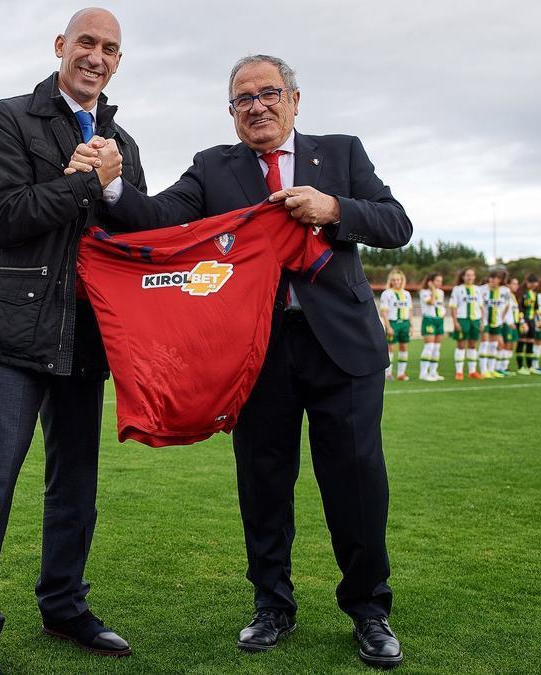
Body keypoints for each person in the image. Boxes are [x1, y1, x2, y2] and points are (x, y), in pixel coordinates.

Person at [68, 54, 409, 667]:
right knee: (263, 479)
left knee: (357, 481)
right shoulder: (213, 168)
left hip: (344, 347)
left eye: (269, 93)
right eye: (243, 99)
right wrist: (113, 187)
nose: (257, 106)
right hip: (255, 351)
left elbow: (395, 223)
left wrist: (333, 210)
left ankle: (369, 610)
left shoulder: (341, 152)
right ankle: (271, 606)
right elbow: (162, 219)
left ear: (295, 100)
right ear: (231, 113)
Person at [0, 9, 145, 674]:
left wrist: (113, 183)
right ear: (61, 47)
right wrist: (80, 179)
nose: (96, 56)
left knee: (76, 486)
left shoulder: (122, 142)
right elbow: (4, 219)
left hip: (87, 333)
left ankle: (63, 605)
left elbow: (135, 234)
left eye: (109, 48)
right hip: (12, 328)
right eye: (86, 42)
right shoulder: (8, 118)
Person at [449, 267, 483, 381]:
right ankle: (459, 372)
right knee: (461, 345)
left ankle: (472, 371)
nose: (470, 277)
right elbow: (453, 307)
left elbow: (481, 306)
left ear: (474, 277)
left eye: (472, 275)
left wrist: (482, 321)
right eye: (467, 275)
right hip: (463, 319)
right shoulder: (458, 289)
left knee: (473, 345)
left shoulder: (478, 289)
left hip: (475, 320)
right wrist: (455, 322)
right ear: (463, 277)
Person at [476, 271, 511, 379]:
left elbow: (507, 305)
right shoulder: (481, 289)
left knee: (493, 346)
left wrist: (502, 318)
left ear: (500, 280)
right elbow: (477, 305)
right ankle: (483, 370)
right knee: (484, 344)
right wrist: (480, 320)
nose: (491, 280)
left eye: (494, 278)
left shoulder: (505, 291)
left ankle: (491, 370)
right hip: (484, 321)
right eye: (490, 277)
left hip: (497, 321)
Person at [379, 268, 412, 381]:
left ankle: (401, 374)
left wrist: (411, 325)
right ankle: (387, 373)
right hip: (392, 323)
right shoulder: (387, 293)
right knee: (390, 348)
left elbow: (410, 310)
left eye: (398, 279)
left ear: (402, 280)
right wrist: (388, 326)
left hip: (405, 323)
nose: (396, 282)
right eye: (394, 280)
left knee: (404, 347)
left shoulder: (406, 294)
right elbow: (384, 311)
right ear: (391, 281)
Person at [417, 272, 445, 381]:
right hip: (429, 320)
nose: (439, 283)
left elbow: (439, 305)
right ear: (431, 282)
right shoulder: (424, 292)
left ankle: (433, 372)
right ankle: (423, 373)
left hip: (439, 320)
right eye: (437, 281)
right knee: (429, 347)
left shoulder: (441, 292)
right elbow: (431, 302)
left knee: (437, 348)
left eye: (441, 281)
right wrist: (433, 290)